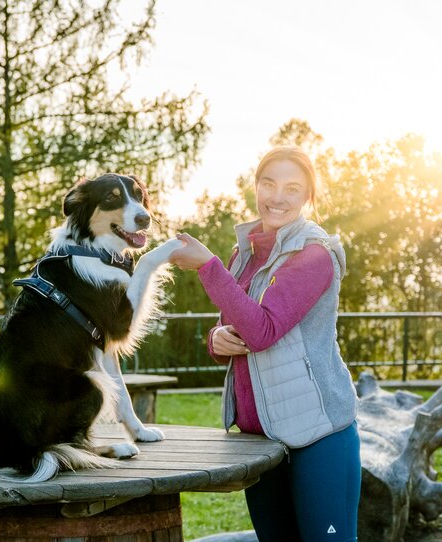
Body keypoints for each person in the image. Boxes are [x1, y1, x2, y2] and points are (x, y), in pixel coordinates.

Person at [169, 146, 361, 541]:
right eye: (268, 184)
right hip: (259, 438)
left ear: (309, 196)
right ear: (255, 187)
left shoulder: (314, 254)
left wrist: (208, 267)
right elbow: (237, 322)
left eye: (293, 188)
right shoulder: (246, 251)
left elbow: (262, 330)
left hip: (318, 433)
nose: (278, 196)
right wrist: (216, 338)